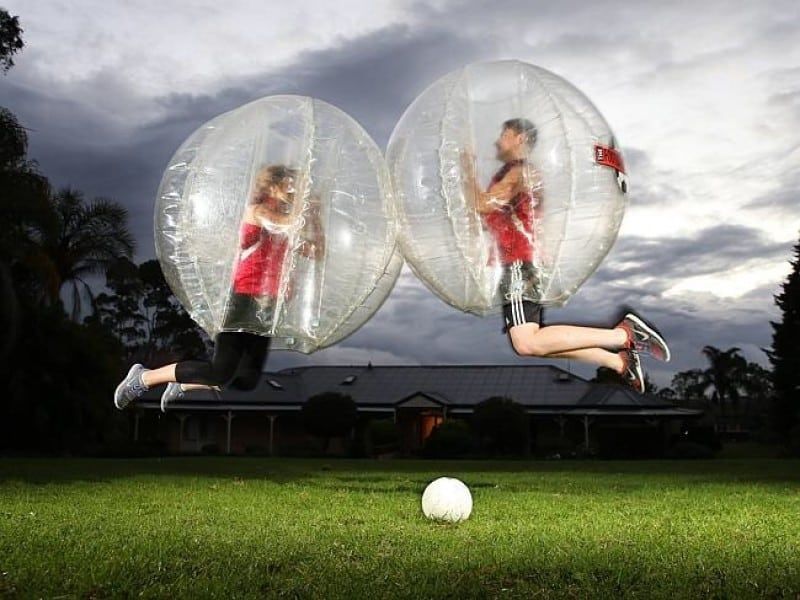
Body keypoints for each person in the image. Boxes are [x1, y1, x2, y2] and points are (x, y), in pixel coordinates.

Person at [462, 119, 670, 393]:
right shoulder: (510, 173)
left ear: (520, 138)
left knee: (527, 343)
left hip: (519, 265)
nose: (497, 140)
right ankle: (618, 361)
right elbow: (489, 215)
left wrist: (466, 169)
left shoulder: (520, 172)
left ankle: (624, 335)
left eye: (504, 134)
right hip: (522, 263)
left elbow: (483, 204)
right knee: (531, 342)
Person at [114, 164, 324, 411]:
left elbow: (317, 252)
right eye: (289, 184)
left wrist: (316, 217)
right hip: (244, 299)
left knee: (246, 380)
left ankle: (182, 385)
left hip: (269, 305)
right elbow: (284, 224)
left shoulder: (284, 224)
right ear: (271, 185)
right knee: (220, 370)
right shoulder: (258, 212)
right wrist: (306, 207)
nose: (293, 190)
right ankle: (144, 378)